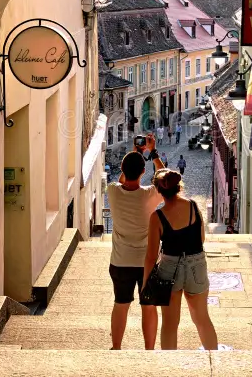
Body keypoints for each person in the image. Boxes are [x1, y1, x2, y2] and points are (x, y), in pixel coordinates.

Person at [143, 169, 218, 350]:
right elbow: (201, 238)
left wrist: (146, 283)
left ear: (159, 191)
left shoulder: (157, 217)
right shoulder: (193, 206)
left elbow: (151, 256)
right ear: (179, 187)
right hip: (196, 264)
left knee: (170, 324)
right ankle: (214, 359)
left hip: (169, 268)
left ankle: (170, 364)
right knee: (202, 319)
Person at [106, 133, 165, 350]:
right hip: (147, 262)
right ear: (143, 172)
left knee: (120, 304)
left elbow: (123, 181)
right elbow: (165, 178)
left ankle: (116, 347)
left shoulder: (113, 192)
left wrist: (136, 153)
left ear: (122, 170)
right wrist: (152, 153)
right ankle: (149, 349)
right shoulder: (149, 195)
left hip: (120, 261)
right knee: (149, 307)